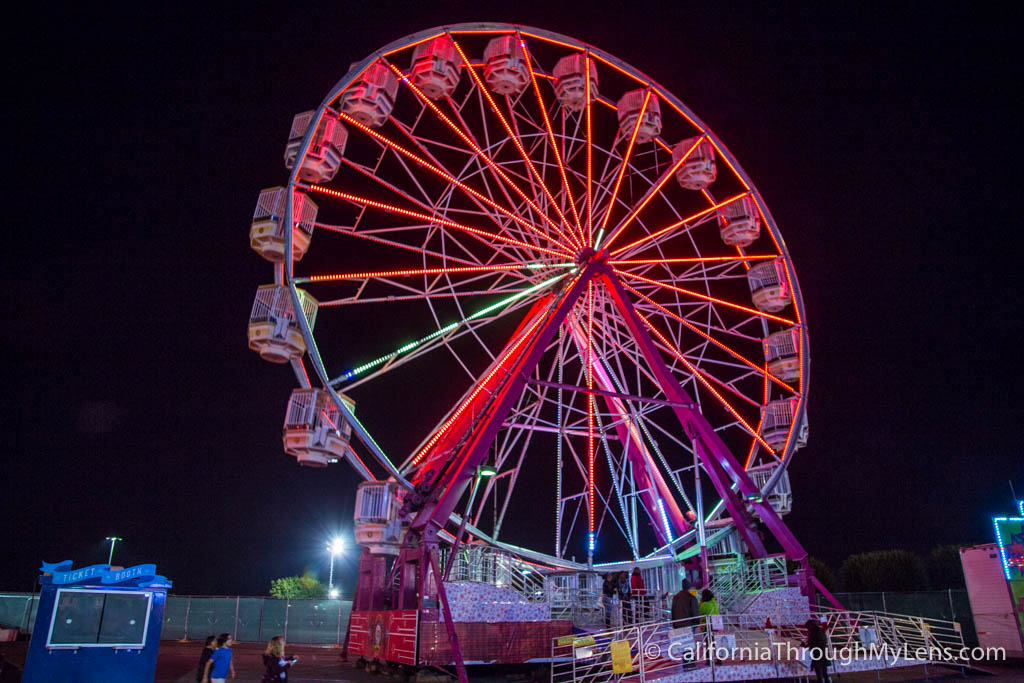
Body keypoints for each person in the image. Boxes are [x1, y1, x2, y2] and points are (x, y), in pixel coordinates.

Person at [804, 618, 832, 683]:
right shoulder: (821, 630)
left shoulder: (814, 632)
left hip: (818, 655)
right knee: (825, 672)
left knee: (819, 673)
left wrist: (807, 645)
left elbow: (813, 643)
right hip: (823, 653)